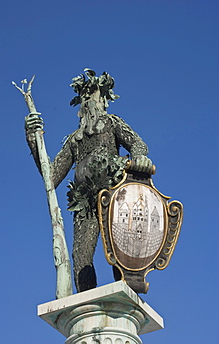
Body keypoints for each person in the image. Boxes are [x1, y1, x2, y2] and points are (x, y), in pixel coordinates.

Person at [25, 69, 153, 292]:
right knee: (81, 254)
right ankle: (86, 298)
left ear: (103, 98)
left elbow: (137, 144)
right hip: (84, 201)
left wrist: (139, 158)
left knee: (120, 248)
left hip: (114, 195)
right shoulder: (74, 140)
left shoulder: (112, 123)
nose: (88, 100)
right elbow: (52, 176)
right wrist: (33, 140)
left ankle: (126, 290)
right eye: (84, 96)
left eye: (92, 94)